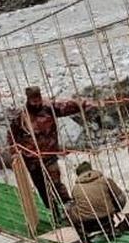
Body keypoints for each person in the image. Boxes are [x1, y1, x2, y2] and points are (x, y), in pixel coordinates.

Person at [8, 86, 90, 222]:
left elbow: (67, 107)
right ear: (28, 100)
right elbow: (12, 136)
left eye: (38, 99)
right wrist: (14, 152)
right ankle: (54, 212)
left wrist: (84, 104)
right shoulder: (21, 117)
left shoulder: (48, 108)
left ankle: (70, 209)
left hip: (49, 155)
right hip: (31, 159)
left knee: (56, 183)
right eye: (34, 101)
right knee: (41, 186)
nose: (37, 103)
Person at [66, 161, 129, 243]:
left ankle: (84, 239)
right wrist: (115, 209)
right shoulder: (105, 180)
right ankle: (111, 230)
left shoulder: (76, 188)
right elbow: (120, 198)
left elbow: (76, 206)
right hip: (106, 219)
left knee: (69, 207)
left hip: (87, 224)